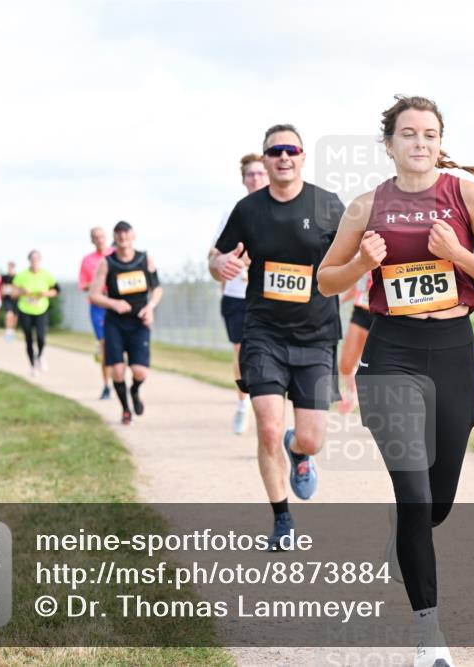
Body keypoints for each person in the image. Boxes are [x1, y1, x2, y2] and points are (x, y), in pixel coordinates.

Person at [318, 95, 474, 667]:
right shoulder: (364, 206)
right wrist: (362, 266)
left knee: (438, 502)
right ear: (389, 144)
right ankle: (430, 634)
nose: (419, 143)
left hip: (452, 352)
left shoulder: (465, 194)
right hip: (392, 354)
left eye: (429, 134)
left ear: (440, 141)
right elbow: (327, 281)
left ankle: (406, 528)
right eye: (408, 134)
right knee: (414, 493)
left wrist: (458, 255)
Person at [210, 124, 345, 550]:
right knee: (268, 428)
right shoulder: (248, 209)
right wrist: (221, 267)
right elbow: (216, 255)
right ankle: (282, 518)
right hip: (264, 333)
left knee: (312, 438)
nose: (283, 157)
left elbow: (354, 254)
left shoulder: (328, 205)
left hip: (317, 336)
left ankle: (299, 453)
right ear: (264, 160)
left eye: (291, 150)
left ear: (303, 156)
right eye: (274, 151)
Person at [209, 153, 269, 434]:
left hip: (272, 294)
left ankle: (267, 415)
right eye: (250, 174)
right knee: (241, 352)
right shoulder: (232, 215)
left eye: (260, 173)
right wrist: (225, 265)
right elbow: (215, 254)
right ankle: (243, 403)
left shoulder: (282, 210)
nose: (256, 178)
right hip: (237, 296)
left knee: (269, 355)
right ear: (243, 179)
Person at [89, 221, 163, 425]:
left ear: (133, 235)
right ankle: (125, 409)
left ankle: (135, 390)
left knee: (139, 371)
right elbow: (93, 294)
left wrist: (151, 307)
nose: (123, 237)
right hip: (115, 323)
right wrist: (113, 303)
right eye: (118, 233)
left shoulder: (144, 258)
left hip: (139, 321)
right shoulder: (107, 263)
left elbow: (157, 288)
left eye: (126, 232)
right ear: (114, 237)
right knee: (118, 370)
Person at [79, 227, 115, 400]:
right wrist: (97, 281)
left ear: (106, 237)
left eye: (101, 236)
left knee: (118, 345)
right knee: (105, 346)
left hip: (115, 304)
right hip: (97, 306)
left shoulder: (116, 254)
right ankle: (107, 386)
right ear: (92, 240)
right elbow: (83, 285)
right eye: (95, 237)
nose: (99, 239)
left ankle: (119, 379)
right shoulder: (87, 260)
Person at [12, 251, 58, 376]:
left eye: (37, 258)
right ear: (29, 260)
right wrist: (22, 291)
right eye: (32, 259)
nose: (34, 261)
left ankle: (41, 355)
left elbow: (56, 290)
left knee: (41, 337)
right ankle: (33, 366)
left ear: (40, 260)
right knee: (28, 338)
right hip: (25, 309)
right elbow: (13, 293)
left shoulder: (46, 275)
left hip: (41, 309)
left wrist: (46, 293)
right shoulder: (21, 275)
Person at [336, 271, 373, 414]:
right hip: (361, 312)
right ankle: (354, 395)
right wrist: (340, 301)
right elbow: (359, 285)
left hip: (383, 316)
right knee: (345, 365)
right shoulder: (362, 253)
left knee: (377, 369)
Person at [1, 261, 19, 341]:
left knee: (15, 316)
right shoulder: (4, 277)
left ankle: (12, 331)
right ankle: (8, 332)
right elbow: (1, 287)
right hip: (7, 298)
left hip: (16, 299)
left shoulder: (18, 277)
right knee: (9, 314)